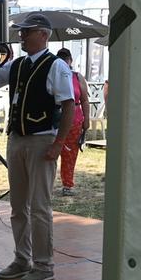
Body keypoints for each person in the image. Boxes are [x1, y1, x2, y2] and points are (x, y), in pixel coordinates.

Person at [0, 13, 74, 280]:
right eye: (21, 31)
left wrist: (58, 143)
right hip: (17, 139)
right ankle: (22, 258)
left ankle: (44, 265)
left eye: (27, 31)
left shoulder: (56, 66)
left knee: (39, 207)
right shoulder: (18, 64)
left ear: (43, 35)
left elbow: (68, 105)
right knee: (18, 206)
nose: (21, 36)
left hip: (42, 140)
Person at [56, 48, 90, 196]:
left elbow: (84, 99)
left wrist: (86, 120)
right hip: (55, 118)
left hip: (75, 119)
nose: (64, 61)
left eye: (66, 58)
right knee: (50, 150)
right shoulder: (54, 75)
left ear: (70, 60)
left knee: (70, 153)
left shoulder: (77, 77)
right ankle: (46, 182)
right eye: (61, 58)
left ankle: (67, 185)